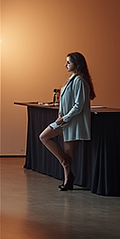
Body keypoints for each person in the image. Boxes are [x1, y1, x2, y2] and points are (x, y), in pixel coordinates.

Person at [37, 52, 96, 191]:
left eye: (69, 62)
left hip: (72, 122)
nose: (66, 65)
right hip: (65, 121)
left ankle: (68, 179)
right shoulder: (72, 78)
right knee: (44, 137)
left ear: (77, 64)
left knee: (67, 152)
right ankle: (67, 172)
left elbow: (78, 105)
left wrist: (64, 118)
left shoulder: (80, 81)